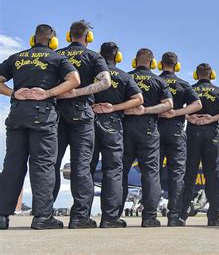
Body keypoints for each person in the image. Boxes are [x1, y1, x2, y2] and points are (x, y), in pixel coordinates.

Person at [0, 24, 80, 230]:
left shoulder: (16, 57)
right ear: (53, 41)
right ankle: (42, 217)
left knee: (12, 165)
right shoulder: (57, 58)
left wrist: (13, 93)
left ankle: (1, 216)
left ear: (32, 39)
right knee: (43, 165)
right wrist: (48, 92)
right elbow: (75, 80)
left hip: (17, 114)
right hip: (42, 115)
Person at [54, 20, 111, 229]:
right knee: (82, 166)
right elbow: (105, 82)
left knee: (52, 164)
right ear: (88, 38)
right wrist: (77, 92)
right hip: (82, 114)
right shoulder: (94, 56)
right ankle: (79, 217)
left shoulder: (56, 55)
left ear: (69, 36)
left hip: (56, 115)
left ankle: (43, 214)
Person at [90, 42, 144, 228]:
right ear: (118, 57)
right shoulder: (124, 75)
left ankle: (80, 216)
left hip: (88, 122)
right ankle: (110, 218)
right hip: (112, 123)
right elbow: (139, 99)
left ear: (99, 54)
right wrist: (114, 107)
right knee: (113, 170)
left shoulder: (90, 72)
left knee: (86, 168)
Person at [121, 48, 173, 227]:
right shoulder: (159, 81)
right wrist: (146, 110)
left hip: (125, 128)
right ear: (152, 63)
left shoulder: (125, 77)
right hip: (149, 129)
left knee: (120, 171)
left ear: (134, 61)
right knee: (151, 173)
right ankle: (149, 217)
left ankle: (112, 216)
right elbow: (168, 105)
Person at [181, 63, 219, 226]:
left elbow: (176, 107)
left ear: (195, 74)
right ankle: (214, 217)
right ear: (212, 74)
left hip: (192, 134)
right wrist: (213, 118)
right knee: (212, 176)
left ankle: (182, 215)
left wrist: (189, 117)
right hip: (211, 134)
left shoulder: (189, 89)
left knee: (189, 175)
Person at [157, 52, 202, 226]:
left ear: (160, 64)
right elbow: (197, 104)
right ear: (177, 66)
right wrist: (177, 112)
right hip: (176, 129)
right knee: (177, 174)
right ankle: (174, 216)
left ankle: (150, 214)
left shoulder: (155, 80)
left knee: (153, 172)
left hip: (155, 129)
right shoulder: (183, 84)